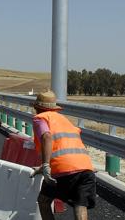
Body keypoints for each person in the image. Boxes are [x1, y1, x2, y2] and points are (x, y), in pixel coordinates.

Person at [30, 90, 96, 220]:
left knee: (44, 201)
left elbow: (47, 137)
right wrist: (41, 167)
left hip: (63, 169)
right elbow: (66, 145)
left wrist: (46, 165)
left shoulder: (40, 119)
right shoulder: (64, 120)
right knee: (80, 204)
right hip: (86, 168)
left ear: (37, 108)